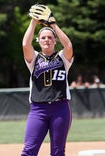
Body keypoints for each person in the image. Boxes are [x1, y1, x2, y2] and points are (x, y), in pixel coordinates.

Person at [21, 4, 74, 156]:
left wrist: (53, 25)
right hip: (38, 110)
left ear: (55, 41)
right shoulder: (35, 58)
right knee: (29, 150)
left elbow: (69, 45)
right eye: (43, 37)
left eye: (50, 38)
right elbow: (25, 44)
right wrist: (34, 21)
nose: (46, 40)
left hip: (60, 108)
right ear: (38, 40)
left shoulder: (63, 58)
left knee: (57, 152)